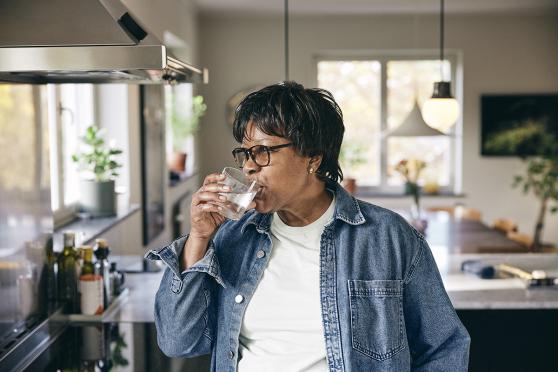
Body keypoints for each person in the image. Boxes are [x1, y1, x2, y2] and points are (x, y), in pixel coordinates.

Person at [146, 81, 470, 371]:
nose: (247, 166)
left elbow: (444, 348)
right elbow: (179, 343)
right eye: (245, 152)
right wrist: (198, 239)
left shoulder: (389, 238)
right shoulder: (232, 237)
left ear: (312, 158)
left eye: (262, 152)